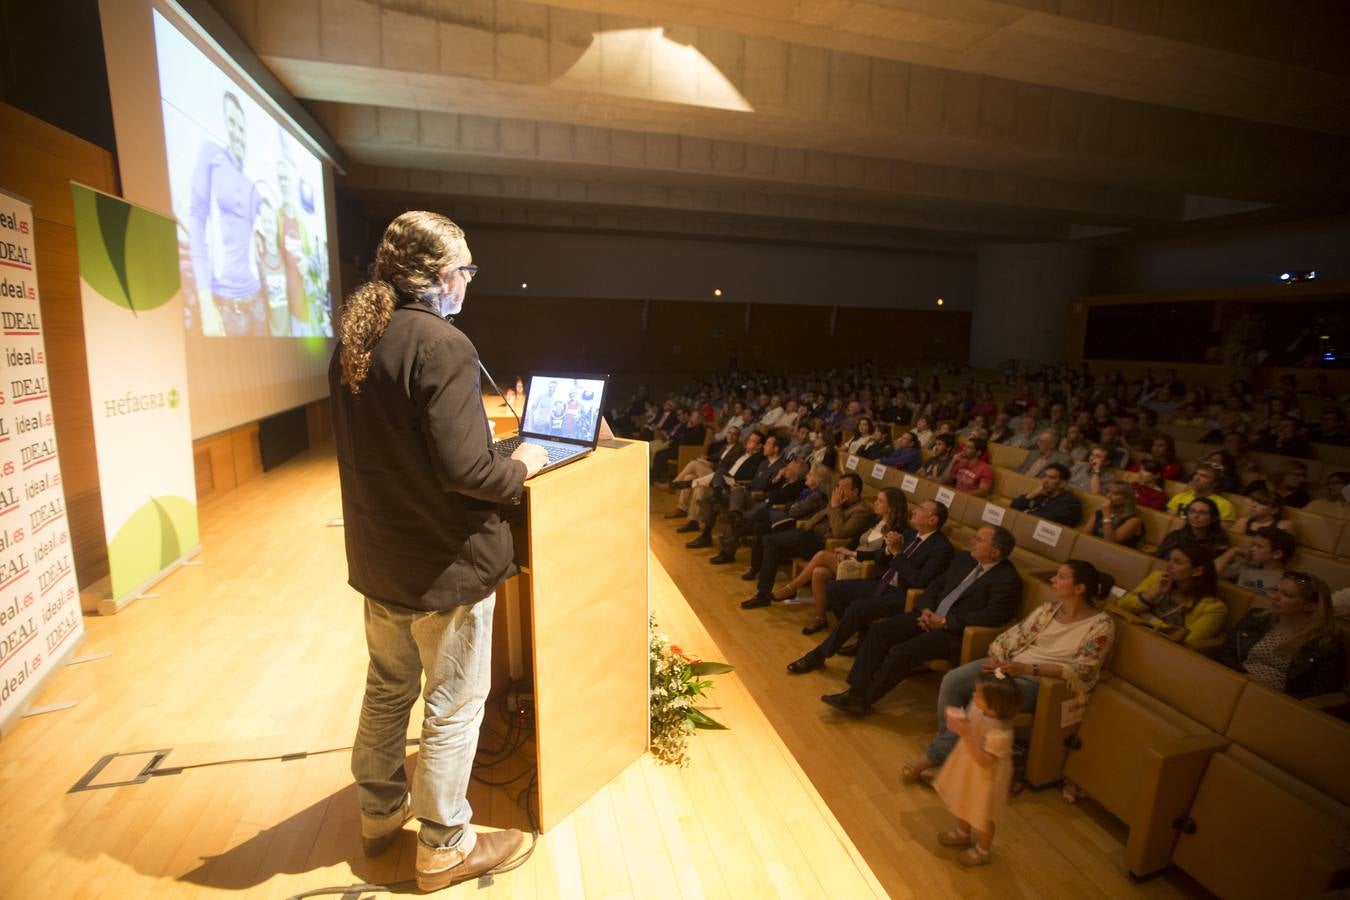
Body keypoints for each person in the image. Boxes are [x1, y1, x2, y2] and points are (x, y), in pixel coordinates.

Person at [330, 212, 545, 890]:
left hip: (381, 561)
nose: (468, 283)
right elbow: (469, 472)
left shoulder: (360, 339)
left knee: (388, 689)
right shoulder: (441, 344)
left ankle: (379, 815)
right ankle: (445, 845)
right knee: (453, 700)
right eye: (467, 270)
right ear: (441, 276)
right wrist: (525, 462)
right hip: (441, 565)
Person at [902, 560, 1117, 786]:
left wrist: (1026, 669)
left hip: (1039, 681)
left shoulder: (1101, 624)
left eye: (1061, 577)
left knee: (981, 702)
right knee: (952, 680)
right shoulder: (1048, 610)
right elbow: (1012, 636)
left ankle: (932, 758)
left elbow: (1083, 669)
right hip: (1009, 665)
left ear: (1079, 588)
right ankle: (956, 754)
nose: (1053, 579)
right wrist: (999, 660)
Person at [818, 525, 1022, 715]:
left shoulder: (1007, 579)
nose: (972, 542)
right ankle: (856, 690)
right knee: (880, 631)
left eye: (979, 540)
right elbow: (936, 584)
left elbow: (992, 616)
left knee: (902, 651)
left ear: (995, 552)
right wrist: (925, 609)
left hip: (953, 633)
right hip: (927, 616)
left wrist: (944, 622)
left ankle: (866, 700)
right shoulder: (964, 559)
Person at [788, 500, 955, 673]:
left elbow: (919, 581)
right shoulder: (910, 534)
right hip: (882, 582)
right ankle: (864, 637)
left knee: (857, 608)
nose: (914, 511)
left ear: (933, 520)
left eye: (920, 509)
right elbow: (881, 558)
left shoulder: (942, 548)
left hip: (903, 594)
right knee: (833, 589)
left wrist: (897, 554)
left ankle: (820, 654)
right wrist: (885, 549)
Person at [779, 487, 908, 635]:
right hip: (851, 560)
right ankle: (819, 617)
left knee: (821, 555)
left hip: (868, 568)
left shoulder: (899, 530)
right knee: (818, 572)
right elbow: (855, 540)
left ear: (891, 506)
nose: (875, 503)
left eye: (880, 501)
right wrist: (843, 549)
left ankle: (791, 588)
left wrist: (852, 553)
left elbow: (881, 556)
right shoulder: (874, 519)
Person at [188, 90, 265, 336]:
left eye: (242, 128)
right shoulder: (212, 157)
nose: (237, 134)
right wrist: (206, 302)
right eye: (231, 123)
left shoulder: (251, 182)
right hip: (226, 306)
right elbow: (196, 222)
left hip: (257, 303)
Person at [740, 473, 872, 609]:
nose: (838, 491)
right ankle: (762, 595)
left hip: (825, 546)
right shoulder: (837, 500)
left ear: (855, 491)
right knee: (774, 547)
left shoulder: (860, 511)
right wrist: (804, 527)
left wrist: (835, 507)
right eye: (837, 486)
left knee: (798, 536)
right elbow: (816, 518)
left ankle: (760, 540)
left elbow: (840, 533)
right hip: (807, 539)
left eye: (843, 488)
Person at [931, 670, 1022, 867]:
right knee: (964, 798)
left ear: (995, 704)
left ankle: (983, 849)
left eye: (978, 695)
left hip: (986, 777)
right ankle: (962, 833)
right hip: (969, 767)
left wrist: (965, 734)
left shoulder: (1001, 733)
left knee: (984, 814)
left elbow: (984, 760)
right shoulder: (980, 711)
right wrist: (959, 721)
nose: (973, 696)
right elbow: (972, 724)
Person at [1213, 572, 1345, 698]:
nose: (1275, 597)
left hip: (1278, 701)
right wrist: (1244, 677)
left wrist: (1268, 691)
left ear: (1309, 606)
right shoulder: (1257, 618)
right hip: (1236, 682)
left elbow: (1319, 695)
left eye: (1286, 594)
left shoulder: (1327, 644)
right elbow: (1225, 654)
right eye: (1276, 590)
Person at [1116, 543, 1226, 647]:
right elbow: (1122, 605)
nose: (1168, 566)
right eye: (1170, 560)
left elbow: (1185, 643)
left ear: (1197, 571)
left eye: (1177, 562)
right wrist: (1153, 594)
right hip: (1130, 636)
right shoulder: (1158, 578)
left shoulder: (1213, 608)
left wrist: (1148, 618)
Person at [1215, 526, 1296, 596]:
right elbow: (1212, 573)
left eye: (1259, 546)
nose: (1252, 549)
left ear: (1277, 554)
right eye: (1253, 545)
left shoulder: (1284, 581)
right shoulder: (1245, 565)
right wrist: (1233, 551)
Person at [1154, 495, 1230, 561]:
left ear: (1213, 517)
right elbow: (1157, 559)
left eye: (1203, 513)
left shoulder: (1218, 544)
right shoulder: (1175, 536)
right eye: (1192, 511)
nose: (1195, 516)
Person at [1010, 463, 1083, 527]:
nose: (1045, 480)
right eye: (1045, 476)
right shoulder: (1042, 493)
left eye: (1051, 478)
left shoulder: (1071, 502)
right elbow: (1013, 505)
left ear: (1062, 484)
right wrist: (1032, 494)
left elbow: (1049, 518)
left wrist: (1027, 512)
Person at [1166, 463, 1237, 522]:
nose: (1196, 478)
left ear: (1215, 483)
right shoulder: (1181, 496)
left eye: (1204, 476)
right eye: (1196, 474)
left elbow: (1220, 535)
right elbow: (1169, 523)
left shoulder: (1225, 506)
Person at [1081, 481, 1143, 548]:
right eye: (1108, 492)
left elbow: (1110, 542)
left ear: (1126, 499)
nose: (1108, 496)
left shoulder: (1134, 520)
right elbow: (1083, 536)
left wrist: (1106, 515)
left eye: (1115, 494)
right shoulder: (1099, 513)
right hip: (1093, 548)